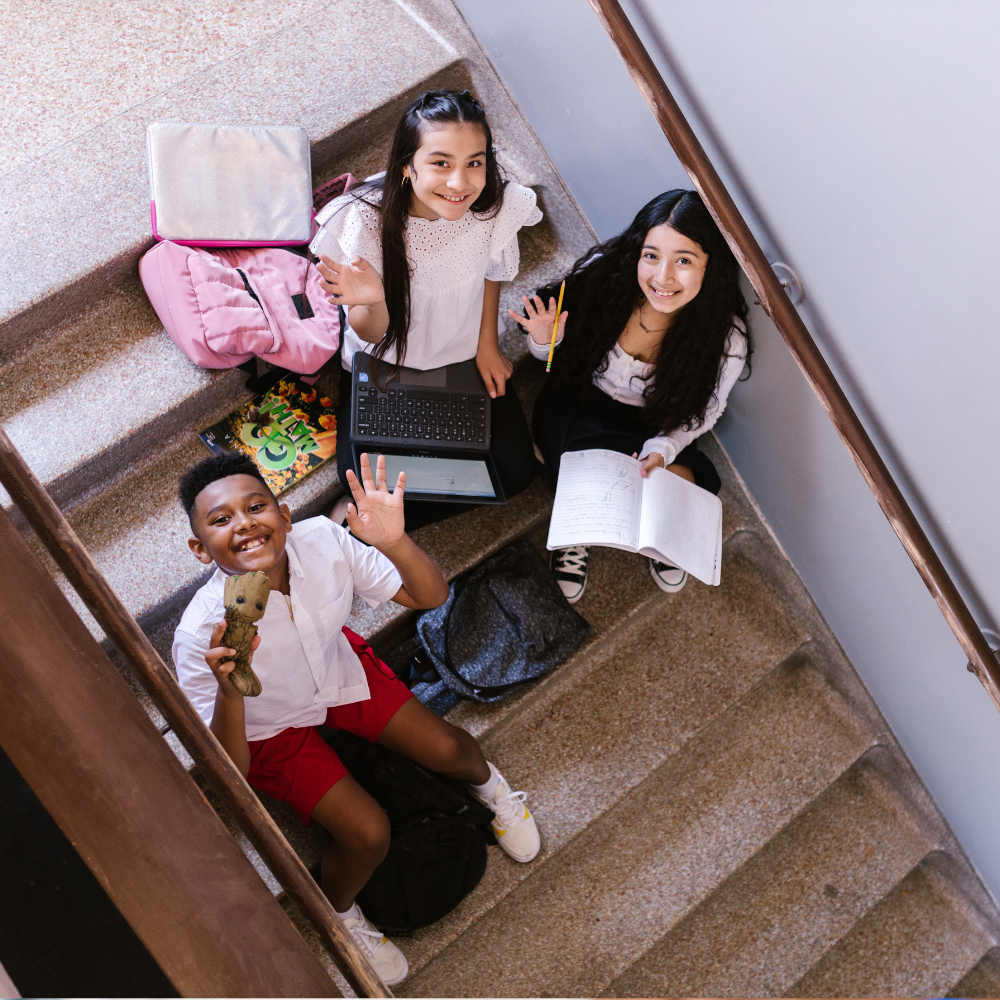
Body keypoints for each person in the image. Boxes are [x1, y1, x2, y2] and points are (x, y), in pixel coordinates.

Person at [171, 451, 540, 986]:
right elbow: (227, 766)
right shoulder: (199, 632)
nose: (245, 523)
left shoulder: (322, 540)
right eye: (221, 519)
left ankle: (493, 793)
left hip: (336, 669)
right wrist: (231, 691)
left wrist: (392, 541)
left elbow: (428, 595)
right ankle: (342, 913)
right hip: (267, 728)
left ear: (285, 515)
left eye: (256, 506)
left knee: (451, 751)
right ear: (199, 549)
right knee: (369, 833)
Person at [311, 89, 542, 532]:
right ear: (406, 166)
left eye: (474, 162)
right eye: (441, 163)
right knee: (361, 479)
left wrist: (487, 344)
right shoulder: (364, 222)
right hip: (385, 365)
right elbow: (371, 334)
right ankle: (370, 521)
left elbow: (492, 267)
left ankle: (378, 521)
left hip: (459, 354)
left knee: (516, 474)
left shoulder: (492, 203)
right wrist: (373, 298)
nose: (460, 184)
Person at [510, 190, 751, 603]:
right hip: (579, 401)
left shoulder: (725, 338)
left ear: (711, 266)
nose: (663, 277)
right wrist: (544, 341)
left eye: (685, 261)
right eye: (652, 255)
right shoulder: (605, 277)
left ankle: (662, 533)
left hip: (649, 423)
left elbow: (705, 412)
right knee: (574, 451)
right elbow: (552, 366)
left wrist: (662, 448)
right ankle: (578, 526)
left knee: (687, 475)